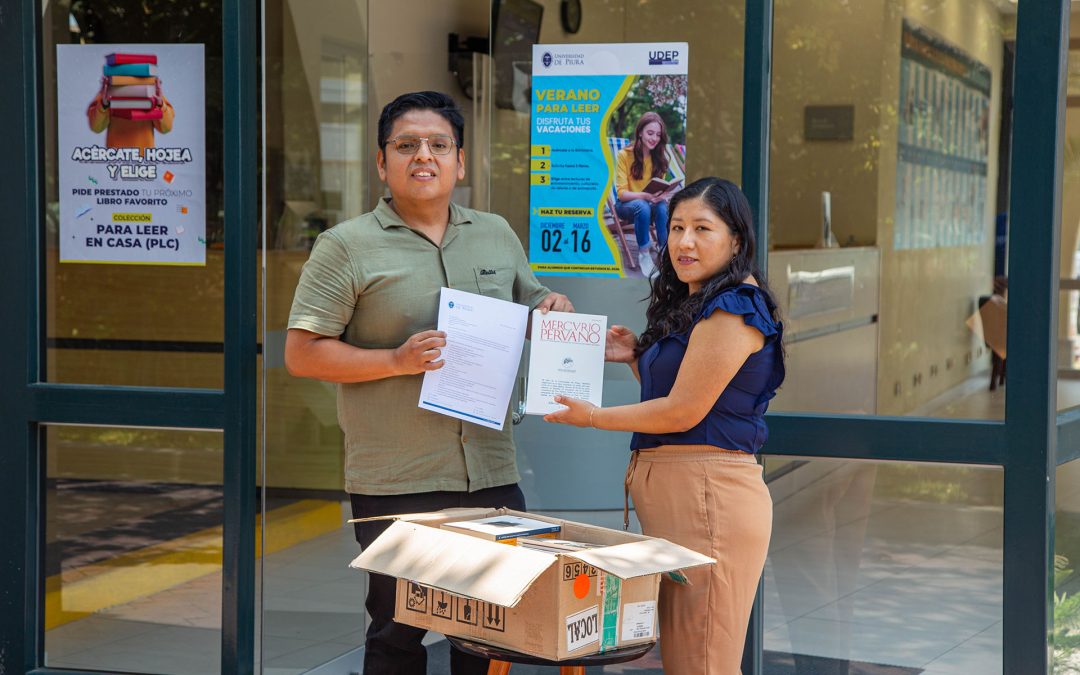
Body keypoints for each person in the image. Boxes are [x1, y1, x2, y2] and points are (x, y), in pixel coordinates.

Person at [284, 91, 573, 675]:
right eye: (406, 145)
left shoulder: (495, 233)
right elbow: (302, 353)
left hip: (489, 474)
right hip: (396, 480)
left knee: (488, 634)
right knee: (398, 633)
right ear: (381, 162)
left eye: (439, 145)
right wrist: (396, 359)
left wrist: (553, 308)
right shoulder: (345, 245)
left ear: (460, 162)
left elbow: (531, 299)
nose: (424, 156)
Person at [545, 177, 784, 674]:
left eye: (702, 228)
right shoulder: (698, 301)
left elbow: (683, 412)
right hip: (686, 497)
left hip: (709, 498)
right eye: (676, 228)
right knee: (685, 658)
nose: (684, 242)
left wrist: (592, 418)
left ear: (736, 239)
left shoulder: (734, 307)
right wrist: (636, 356)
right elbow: (695, 393)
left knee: (702, 662)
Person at [614, 111, 676, 277]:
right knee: (642, 205)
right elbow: (621, 194)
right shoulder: (624, 155)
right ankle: (644, 253)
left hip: (649, 205)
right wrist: (646, 197)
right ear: (640, 132)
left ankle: (665, 252)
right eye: (650, 133)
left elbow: (657, 189)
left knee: (662, 206)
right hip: (626, 206)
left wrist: (661, 195)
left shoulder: (659, 157)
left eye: (658, 134)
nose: (654, 138)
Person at [87, 77, 174, 150]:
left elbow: (166, 128)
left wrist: (160, 104)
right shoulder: (109, 90)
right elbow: (96, 127)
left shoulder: (151, 90)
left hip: (143, 156)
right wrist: (104, 104)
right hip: (117, 155)